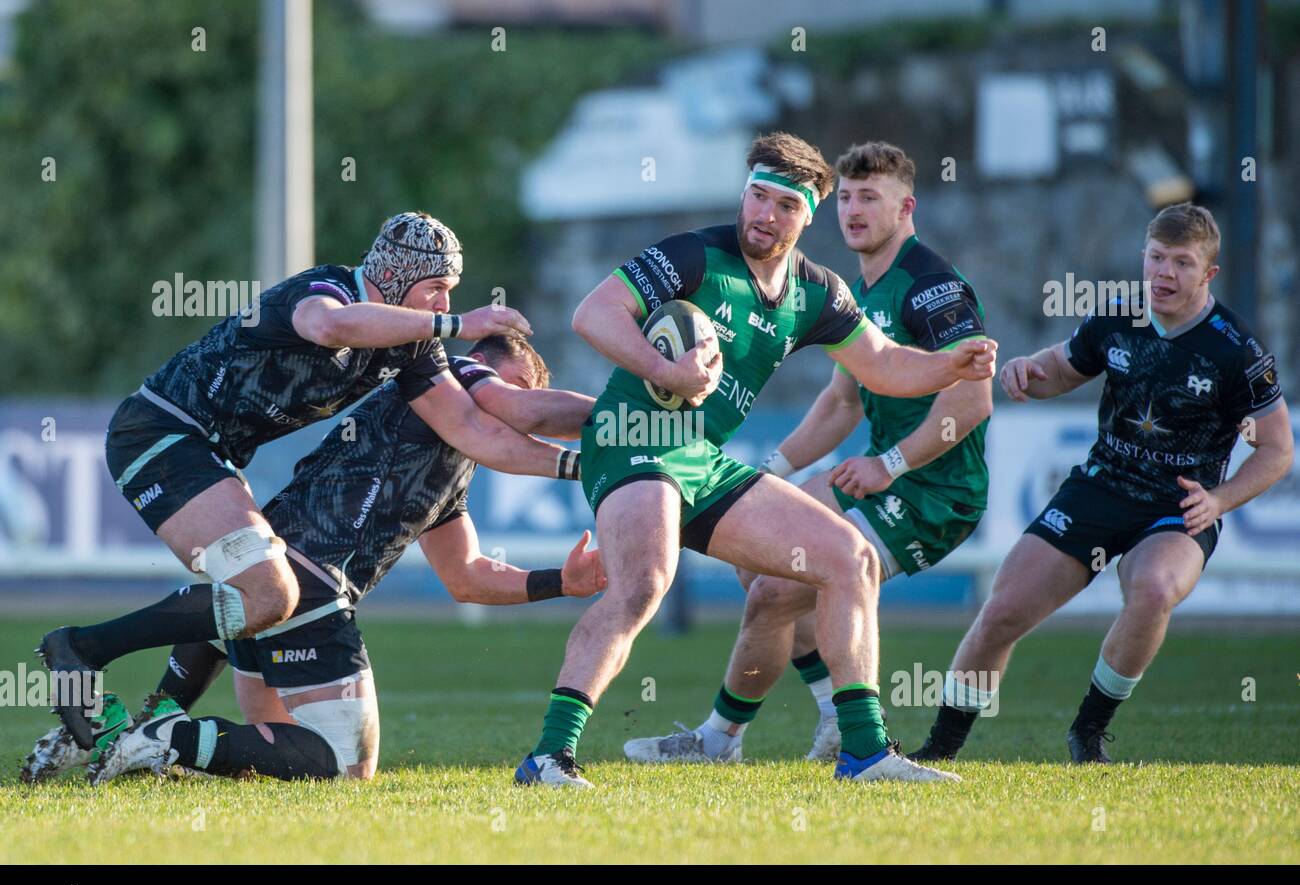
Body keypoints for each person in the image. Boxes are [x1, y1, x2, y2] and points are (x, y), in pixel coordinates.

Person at [514, 132, 996, 788]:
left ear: (807, 215)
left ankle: (864, 752)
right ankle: (548, 758)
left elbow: (883, 365)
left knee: (846, 559)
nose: (763, 214)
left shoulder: (817, 292)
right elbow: (592, 313)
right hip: (634, 436)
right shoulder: (697, 254)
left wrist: (950, 362)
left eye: (784, 205)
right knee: (644, 583)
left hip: (701, 458)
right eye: (756, 196)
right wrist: (667, 371)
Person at [39, 213, 577, 750]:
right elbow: (328, 326)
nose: (443, 303)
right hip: (159, 432)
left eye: (450, 293)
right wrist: (457, 324)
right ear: (396, 276)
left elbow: (474, 429)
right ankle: (85, 652)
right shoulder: (328, 288)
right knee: (269, 591)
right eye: (436, 288)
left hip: (208, 452)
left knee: (260, 591)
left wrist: (584, 464)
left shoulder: (410, 346)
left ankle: (148, 722)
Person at [26, 336, 602, 783]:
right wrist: (618, 427)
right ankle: (160, 736)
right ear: (494, 366)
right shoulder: (458, 372)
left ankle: (149, 722)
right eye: (522, 386)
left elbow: (467, 576)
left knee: (273, 733)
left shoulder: (453, 454)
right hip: (314, 581)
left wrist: (564, 581)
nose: (520, 403)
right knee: (344, 763)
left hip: (285, 575)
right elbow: (519, 413)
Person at [909, 203, 1292, 763]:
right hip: (1101, 488)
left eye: (1182, 263)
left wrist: (1220, 499)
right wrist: (1025, 372)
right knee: (1002, 612)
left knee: (1156, 589)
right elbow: (1064, 368)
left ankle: (1088, 733)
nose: (1164, 274)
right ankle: (939, 751)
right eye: (1156, 258)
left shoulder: (1236, 351)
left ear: (1208, 274)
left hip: (1178, 505)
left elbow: (1277, 450)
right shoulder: (1117, 317)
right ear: (1143, 257)